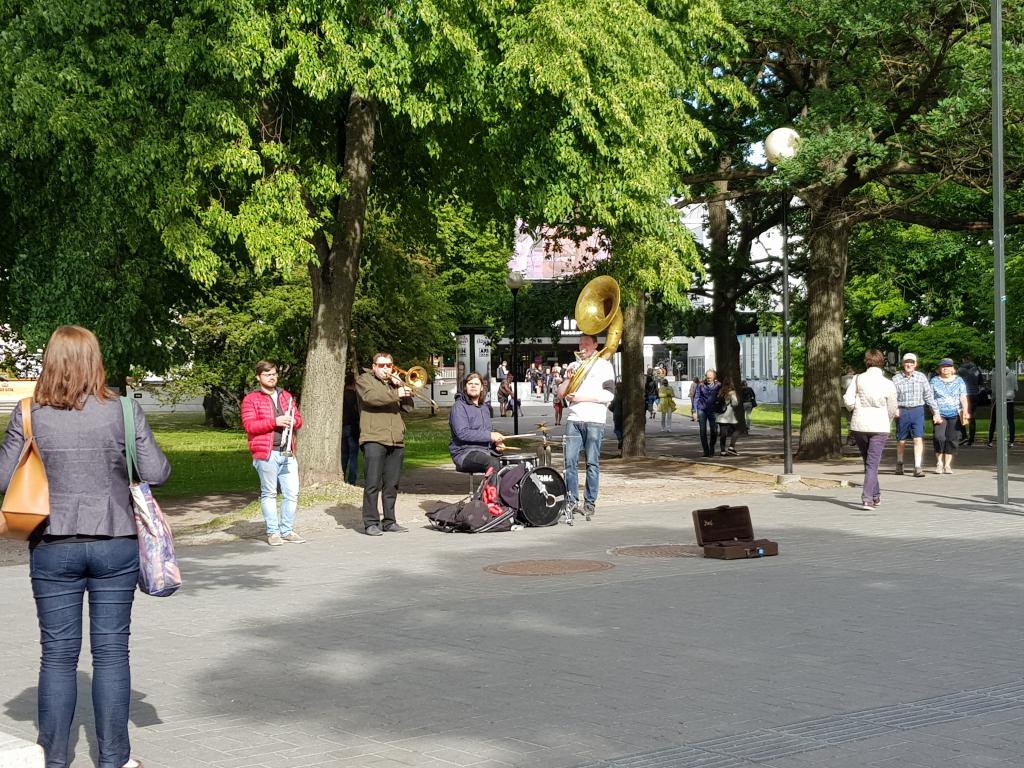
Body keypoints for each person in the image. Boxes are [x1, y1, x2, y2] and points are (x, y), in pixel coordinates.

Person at [0, 325, 171, 768]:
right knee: (113, 651)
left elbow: (2, 480)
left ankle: (54, 759)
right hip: (116, 542)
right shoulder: (125, 411)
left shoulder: (29, 413)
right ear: (96, 361)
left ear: (49, 362)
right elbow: (157, 470)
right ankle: (114, 760)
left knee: (57, 654)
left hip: (53, 545)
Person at [241, 360, 305, 546]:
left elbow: (298, 420)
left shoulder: (286, 395)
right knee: (269, 493)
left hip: (287, 451)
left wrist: (294, 422)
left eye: (274, 374)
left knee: (292, 493)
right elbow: (249, 426)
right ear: (259, 377)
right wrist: (274, 421)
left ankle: (287, 530)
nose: (272, 377)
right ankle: (273, 532)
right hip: (266, 453)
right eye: (268, 374)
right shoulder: (251, 399)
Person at [357, 351, 414, 535]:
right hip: (373, 437)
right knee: (372, 482)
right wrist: (396, 392)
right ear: (374, 367)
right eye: (381, 365)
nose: (386, 369)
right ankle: (371, 522)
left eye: (388, 365)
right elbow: (372, 398)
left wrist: (404, 390)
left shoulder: (394, 383)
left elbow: (408, 408)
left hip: (396, 438)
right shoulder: (364, 380)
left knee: (391, 483)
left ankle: (389, 520)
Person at [558, 334, 614, 519]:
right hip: (574, 418)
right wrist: (567, 379)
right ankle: (572, 501)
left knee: (592, 463)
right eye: (580, 344)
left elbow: (609, 394)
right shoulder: (573, 366)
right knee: (570, 462)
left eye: (586, 344)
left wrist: (583, 398)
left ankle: (589, 503)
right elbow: (560, 394)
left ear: (595, 345)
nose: (582, 347)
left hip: (594, 419)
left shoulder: (604, 365)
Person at [843, 349, 898, 509]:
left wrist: (853, 408)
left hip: (859, 425)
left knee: (868, 462)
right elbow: (892, 406)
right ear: (882, 362)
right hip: (879, 425)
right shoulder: (888, 383)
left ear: (867, 362)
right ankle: (867, 498)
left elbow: (848, 398)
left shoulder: (858, 378)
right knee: (872, 463)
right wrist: (887, 419)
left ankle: (876, 495)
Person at [892, 353, 940, 478]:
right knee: (901, 440)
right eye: (907, 362)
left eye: (912, 362)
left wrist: (936, 412)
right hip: (902, 411)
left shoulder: (921, 377)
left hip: (917, 410)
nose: (909, 365)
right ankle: (899, 462)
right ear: (903, 364)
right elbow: (891, 397)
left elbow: (928, 396)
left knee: (918, 438)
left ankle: (918, 466)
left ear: (915, 364)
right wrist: (894, 408)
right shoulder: (896, 378)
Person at [450, 373, 505, 473]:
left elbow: (485, 433)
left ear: (481, 388)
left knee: (508, 464)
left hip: (485, 451)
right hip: (464, 453)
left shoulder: (484, 408)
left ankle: (501, 488)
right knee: (492, 463)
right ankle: (492, 489)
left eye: (476, 384)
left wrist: (496, 446)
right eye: (470, 383)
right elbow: (462, 433)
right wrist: (490, 436)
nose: (473, 386)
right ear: (465, 387)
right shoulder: (458, 406)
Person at [930, 357, 969, 474]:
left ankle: (947, 465)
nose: (945, 369)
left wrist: (965, 411)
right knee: (939, 437)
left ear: (953, 369)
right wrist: (934, 413)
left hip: (955, 413)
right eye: (942, 366)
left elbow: (963, 397)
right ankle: (939, 463)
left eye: (947, 366)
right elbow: (930, 399)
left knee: (952, 439)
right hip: (939, 414)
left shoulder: (959, 381)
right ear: (939, 369)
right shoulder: (934, 381)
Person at [692, 370, 722, 458]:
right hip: (702, 409)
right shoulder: (701, 385)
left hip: (713, 410)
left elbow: (721, 396)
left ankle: (712, 446)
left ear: (714, 377)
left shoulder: (718, 385)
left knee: (714, 430)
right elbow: (696, 397)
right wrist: (694, 411)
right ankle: (706, 451)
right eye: (707, 377)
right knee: (702, 430)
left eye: (710, 377)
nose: (708, 378)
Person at [987, 367, 1018, 447]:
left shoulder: (995, 374)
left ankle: (990, 441)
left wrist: (992, 399)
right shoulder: (1012, 375)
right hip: (1010, 399)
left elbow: (993, 388)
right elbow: (1016, 388)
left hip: (999, 400)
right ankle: (1011, 441)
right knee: (1011, 421)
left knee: (993, 420)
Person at [958, 354, 981, 446]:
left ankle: (964, 436)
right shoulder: (976, 370)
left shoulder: (960, 370)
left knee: (961, 415)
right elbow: (980, 382)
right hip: (975, 394)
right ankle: (971, 439)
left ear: (964, 359)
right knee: (972, 416)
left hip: (964, 394)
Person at [341, 372, 360, 485]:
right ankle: (352, 480)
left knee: (344, 455)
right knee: (353, 456)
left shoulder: (342, 395)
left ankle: (342, 477)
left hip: (344, 426)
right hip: (353, 427)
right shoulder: (356, 397)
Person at [716, 379, 742, 455]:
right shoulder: (731, 393)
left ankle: (722, 451)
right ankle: (731, 447)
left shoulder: (720, 392)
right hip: (729, 416)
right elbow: (735, 403)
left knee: (723, 434)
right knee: (737, 430)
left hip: (721, 416)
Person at [609, 381, 624, 449]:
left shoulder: (615, 397)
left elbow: (610, 407)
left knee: (617, 429)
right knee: (622, 428)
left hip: (617, 414)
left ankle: (620, 439)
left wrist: (614, 410)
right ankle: (622, 439)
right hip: (624, 415)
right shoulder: (625, 397)